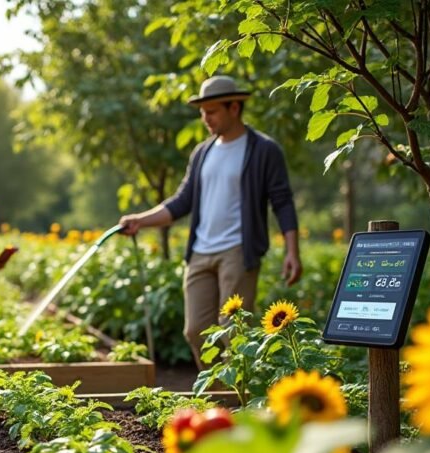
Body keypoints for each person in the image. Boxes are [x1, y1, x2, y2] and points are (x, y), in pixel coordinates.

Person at [119, 75, 302, 369]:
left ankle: (239, 402)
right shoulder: (202, 152)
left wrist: (292, 251)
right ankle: (217, 395)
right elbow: (182, 202)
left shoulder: (264, 150)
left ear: (234, 108)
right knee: (196, 330)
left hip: (238, 251)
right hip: (200, 252)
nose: (205, 118)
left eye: (212, 111)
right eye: (202, 112)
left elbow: (282, 202)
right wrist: (141, 220)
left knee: (233, 330)